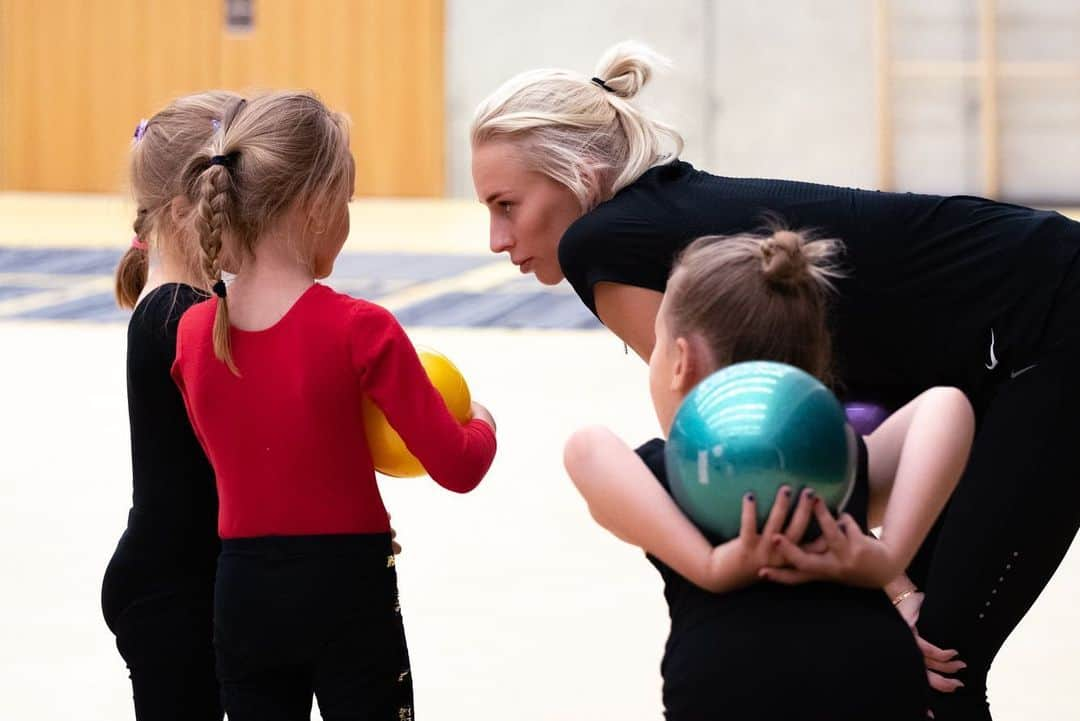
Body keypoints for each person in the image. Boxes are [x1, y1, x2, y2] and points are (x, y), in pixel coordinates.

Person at [471, 41, 1080, 720]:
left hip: (1046, 320)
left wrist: (896, 587)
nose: (497, 239)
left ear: (580, 178)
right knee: (920, 662)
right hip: (1007, 320)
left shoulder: (601, 243)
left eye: (506, 205)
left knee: (940, 665)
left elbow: (721, 440)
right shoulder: (660, 211)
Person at [171, 92, 498, 721]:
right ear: (318, 206)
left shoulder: (190, 335)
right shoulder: (360, 328)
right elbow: (459, 466)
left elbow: (239, 461)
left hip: (241, 593)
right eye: (346, 204)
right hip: (347, 591)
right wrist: (482, 420)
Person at [564, 230, 974, 719]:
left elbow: (586, 448)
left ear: (681, 361)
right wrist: (887, 558)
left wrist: (713, 567)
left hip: (727, 685)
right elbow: (946, 406)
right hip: (872, 674)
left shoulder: (674, 474)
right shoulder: (836, 466)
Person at [102, 91, 239, 721]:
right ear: (190, 209)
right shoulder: (176, 317)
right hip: (169, 592)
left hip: (179, 579)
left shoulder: (190, 304)